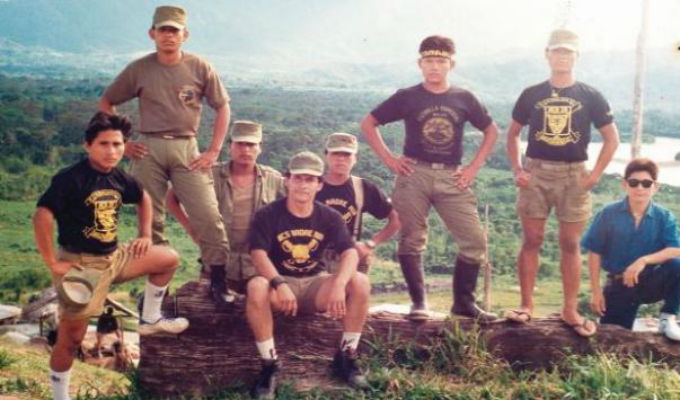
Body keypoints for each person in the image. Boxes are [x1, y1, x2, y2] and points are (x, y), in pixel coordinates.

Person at [33, 112, 189, 400]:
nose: (112, 151)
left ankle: (150, 318)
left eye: (117, 144)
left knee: (168, 258)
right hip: (82, 265)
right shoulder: (71, 179)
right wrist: (52, 262)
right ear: (88, 145)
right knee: (71, 339)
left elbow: (142, 197)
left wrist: (145, 235)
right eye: (104, 144)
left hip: (114, 257)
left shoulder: (117, 176)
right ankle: (60, 396)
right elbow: (42, 215)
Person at [98, 5, 231, 307]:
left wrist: (213, 150)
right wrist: (123, 143)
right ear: (152, 34)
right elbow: (107, 101)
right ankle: (159, 292)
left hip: (188, 148)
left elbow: (222, 106)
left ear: (185, 35)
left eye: (174, 30)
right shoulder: (140, 68)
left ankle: (218, 280)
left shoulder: (200, 67)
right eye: (163, 30)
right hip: (149, 148)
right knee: (151, 221)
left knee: (209, 216)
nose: (168, 35)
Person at [360, 35, 499, 322]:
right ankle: (419, 302)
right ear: (420, 64)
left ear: (451, 64)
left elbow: (491, 130)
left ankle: (464, 303)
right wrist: (390, 159)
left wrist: (473, 167)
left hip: (452, 175)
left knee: (474, 240)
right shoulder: (407, 96)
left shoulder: (464, 98)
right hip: (414, 174)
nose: (435, 66)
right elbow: (369, 123)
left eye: (441, 61)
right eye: (429, 61)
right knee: (411, 238)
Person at [504, 28, 620, 336]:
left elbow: (612, 138)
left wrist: (594, 175)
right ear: (547, 55)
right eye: (557, 51)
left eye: (568, 52)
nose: (562, 57)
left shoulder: (590, 95)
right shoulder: (531, 94)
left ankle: (569, 309)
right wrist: (517, 169)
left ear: (576, 56)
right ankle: (526, 305)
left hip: (574, 175)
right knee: (532, 239)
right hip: (537, 172)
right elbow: (512, 134)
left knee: (570, 243)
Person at [246, 151, 371, 398]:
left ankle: (346, 357)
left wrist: (339, 284)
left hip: (315, 284)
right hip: (279, 287)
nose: (303, 185)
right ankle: (269, 366)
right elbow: (258, 254)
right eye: (298, 178)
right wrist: (279, 283)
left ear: (319, 184)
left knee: (360, 281)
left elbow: (350, 253)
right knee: (257, 286)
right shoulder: (268, 214)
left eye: (310, 179)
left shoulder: (329, 216)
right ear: (287, 180)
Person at [167, 121, 285, 294]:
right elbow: (171, 198)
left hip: (257, 268)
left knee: (257, 305)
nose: (245, 150)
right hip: (215, 265)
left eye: (251, 144)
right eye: (240, 144)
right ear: (231, 146)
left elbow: (293, 208)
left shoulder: (273, 179)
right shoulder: (210, 174)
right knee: (206, 307)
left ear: (260, 148)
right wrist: (190, 228)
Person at [582, 158, 680, 339]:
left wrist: (643, 261)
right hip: (620, 285)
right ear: (625, 184)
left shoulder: (664, 216)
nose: (640, 188)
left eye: (646, 183)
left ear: (655, 186)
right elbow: (594, 252)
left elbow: (675, 249)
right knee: (613, 340)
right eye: (634, 183)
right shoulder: (608, 214)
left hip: (652, 282)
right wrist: (595, 292)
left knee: (677, 265)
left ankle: (668, 317)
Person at [316, 132, 400, 273]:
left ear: (355, 158)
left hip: (348, 259)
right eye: (335, 153)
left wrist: (370, 244)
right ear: (326, 155)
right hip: (313, 260)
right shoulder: (311, 185)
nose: (341, 159)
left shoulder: (362, 188)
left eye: (347, 154)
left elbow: (397, 219)